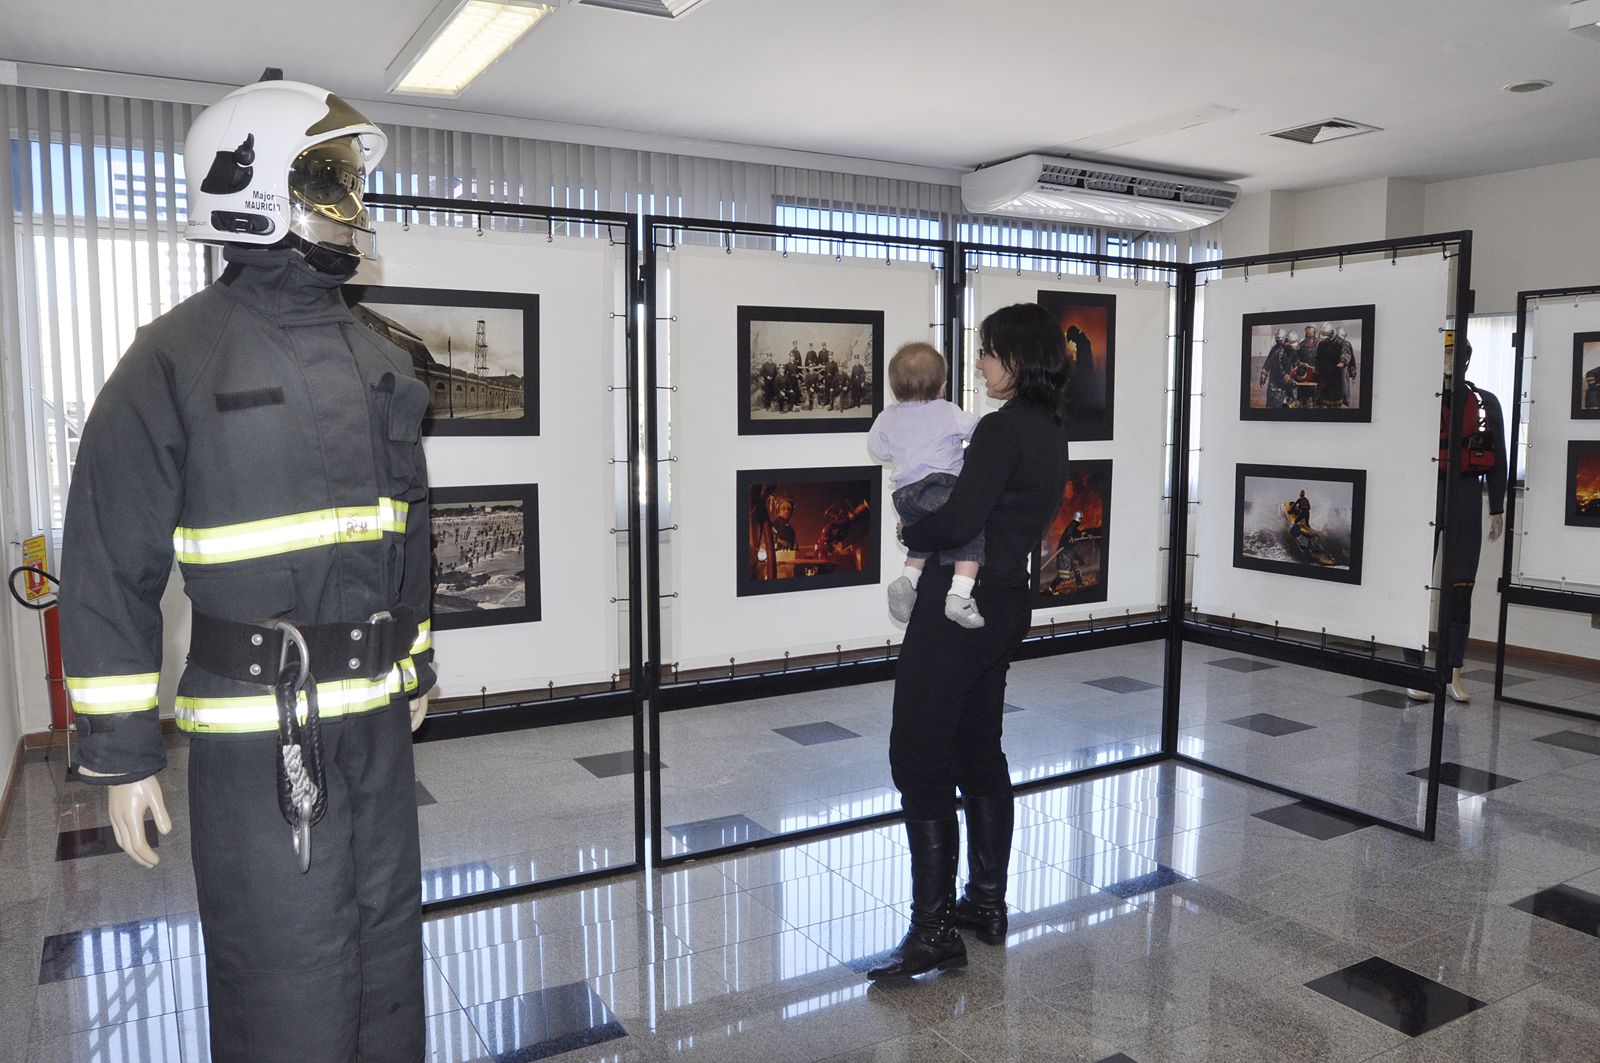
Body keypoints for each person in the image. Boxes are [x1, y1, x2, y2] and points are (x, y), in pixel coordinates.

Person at [57, 75, 434, 1063]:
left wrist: (417, 663)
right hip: (257, 733)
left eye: (346, 180)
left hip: (377, 722)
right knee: (286, 975)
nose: (348, 201)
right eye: (326, 178)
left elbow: (411, 531)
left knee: (388, 952)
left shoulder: (380, 360)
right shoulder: (174, 359)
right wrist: (121, 748)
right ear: (254, 188)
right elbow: (107, 557)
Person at [867, 304, 1072, 979]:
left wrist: (910, 536)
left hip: (956, 611)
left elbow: (958, 517)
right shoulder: (1048, 426)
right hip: (1006, 601)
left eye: (987, 352)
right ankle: (985, 903)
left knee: (918, 755)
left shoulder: (1000, 428)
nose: (979, 362)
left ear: (1017, 358)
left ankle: (935, 931)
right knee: (979, 746)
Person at [1406, 333, 1506, 702]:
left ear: (1467, 358)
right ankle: (1414, 670)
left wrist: (1496, 504)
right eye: (1444, 352)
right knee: (1414, 581)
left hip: (1465, 493)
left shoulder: (1486, 401)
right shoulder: (1419, 399)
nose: (1450, 359)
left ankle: (1453, 672)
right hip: (1424, 493)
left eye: (1456, 353)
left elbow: (1500, 452)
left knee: (1461, 585)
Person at [868, 343, 986, 629]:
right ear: (943, 385)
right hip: (942, 486)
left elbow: (878, 449)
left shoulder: (887, 416)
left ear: (895, 387)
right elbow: (980, 432)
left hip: (904, 496)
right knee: (970, 531)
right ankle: (960, 594)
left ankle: (907, 581)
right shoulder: (946, 410)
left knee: (922, 538)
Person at [1260, 327, 1296, 409]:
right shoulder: (1274, 351)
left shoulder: (1288, 350)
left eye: (1281, 339)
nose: (1280, 341)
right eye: (1278, 340)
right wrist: (1263, 377)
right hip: (1275, 386)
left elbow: (1295, 362)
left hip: (1285, 385)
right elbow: (1267, 364)